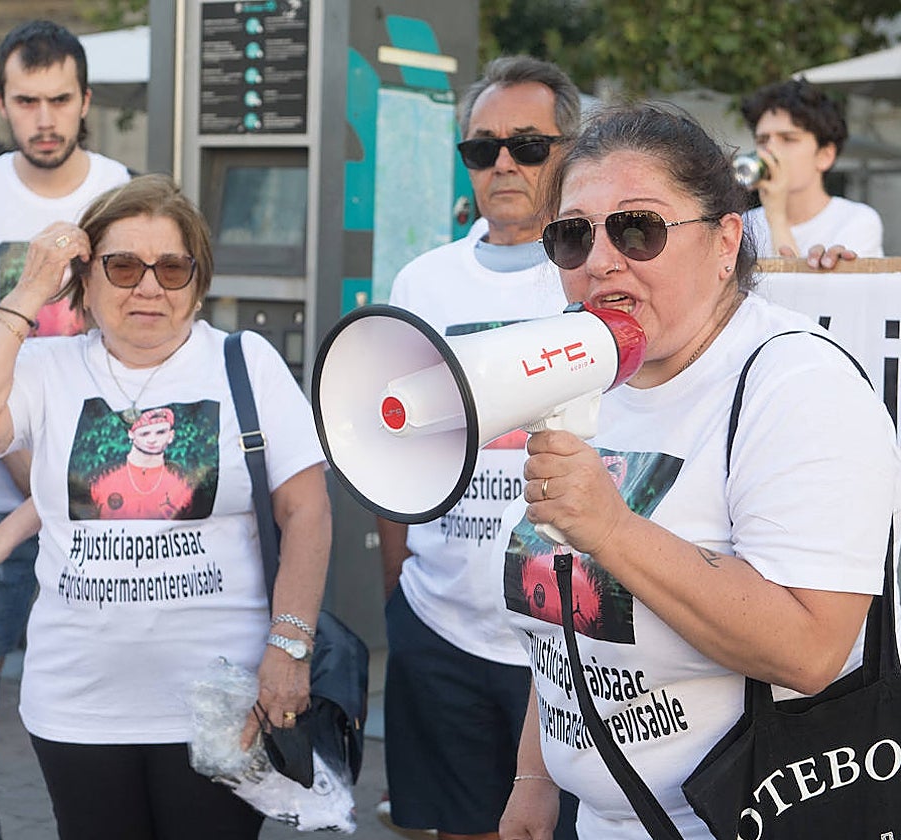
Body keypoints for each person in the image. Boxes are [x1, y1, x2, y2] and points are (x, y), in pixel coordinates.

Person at [495, 103, 899, 838]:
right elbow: (565, 609)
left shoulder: (797, 383)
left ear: (725, 241)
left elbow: (811, 650)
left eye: (638, 228)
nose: (601, 259)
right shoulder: (589, 373)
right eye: (572, 235)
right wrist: (537, 774)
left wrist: (612, 529)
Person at [0, 174, 332, 840]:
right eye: (122, 266)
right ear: (86, 280)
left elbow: (308, 509)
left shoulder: (244, 362)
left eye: (171, 267)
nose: (149, 286)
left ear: (197, 281)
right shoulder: (48, 368)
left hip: (220, 704)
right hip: (78, 706)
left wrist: (289, 648)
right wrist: (30, 291)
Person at [379, 55, 580, 840]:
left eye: (529, 145)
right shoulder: (422, 282)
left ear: (569, 150)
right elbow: (390, 446)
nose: (504, 162)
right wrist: (399, 591)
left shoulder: (597, 274)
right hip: (441, 630)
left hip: (569, 635)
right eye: (482, 147)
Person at [0, 23, 133, 770]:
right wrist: (22, 460)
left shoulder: (124, 190)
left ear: (84, 102)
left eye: (58, 100)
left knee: (114, 714)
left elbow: (142, 349)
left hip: (104, 494)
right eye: (26, 101)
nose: (43, 119)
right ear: (0, 104)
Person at [739, 78, 884, 263]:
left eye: (788, 139)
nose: (770, 149)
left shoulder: (857, 221)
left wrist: (776, 217)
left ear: (825, 156)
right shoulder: (745, 225)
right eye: (762, 140)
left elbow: (795, 290)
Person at [89, 407, 195, 520]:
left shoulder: (184, 482)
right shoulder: (100, 478)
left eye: (160, 432)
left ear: (171, 435)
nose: (152, 440)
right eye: (144, 433)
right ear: (131, 434)